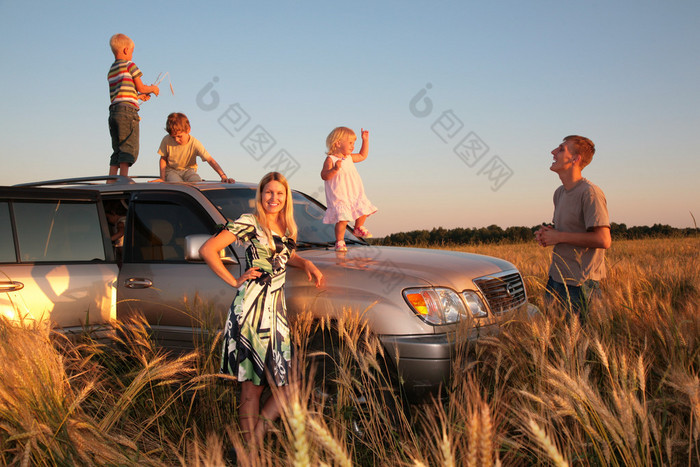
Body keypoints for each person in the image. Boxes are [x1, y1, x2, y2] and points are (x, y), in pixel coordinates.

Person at [199, 172, 323, 447]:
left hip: (276, 313)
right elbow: (209, 250)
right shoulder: (249, 222)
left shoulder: (288, 228)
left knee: (289, 387)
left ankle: (251, 444)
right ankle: (250, 456)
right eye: (268, 192)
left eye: (279, 193)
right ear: (261, 195)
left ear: (285, 197)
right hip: (252, 310)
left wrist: (305, 264)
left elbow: (284, 257)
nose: (273, 198)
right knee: (251, 386)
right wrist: (234, 280)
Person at [535, 135, 611, 320]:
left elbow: (603, 240)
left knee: (581, 343)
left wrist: (559, 236)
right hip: (556, 278)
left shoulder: (590, 193)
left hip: (580, 284)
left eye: (561, 149)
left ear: (575, 159)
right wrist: (548, 234)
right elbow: (567, 230)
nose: (553, 152)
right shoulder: (559, 193)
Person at [107, 33, 160, 177]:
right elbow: (141, 87)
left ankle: (111, 180)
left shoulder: (112, 70)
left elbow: (121, 93)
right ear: (125, 50)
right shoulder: (130, 65)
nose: (131, 54)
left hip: (114, 112)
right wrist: (152, 89)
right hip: (127, 113)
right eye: (131, 51)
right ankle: (123, 179)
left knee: (117, 148)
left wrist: (138, 96)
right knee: (128, 146)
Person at [320, 126, 378, 251]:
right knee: (343, 219)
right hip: (340, 196)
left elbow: (363, 155)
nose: (353, 146)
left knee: (363, 209)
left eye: (354, 143)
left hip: (354, 192)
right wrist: (335, 169)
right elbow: (324, 176)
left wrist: (365, 140)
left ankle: (358, 227)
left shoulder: (350, 158)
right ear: (338, 143)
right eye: (350, 143)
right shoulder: (331, 159)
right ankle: (339, 241)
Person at [154, 112, 235, 183]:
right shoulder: (166, 140)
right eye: (173, 137)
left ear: (188, 130)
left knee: (196, 182)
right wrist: (162, 178)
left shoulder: (195, 143)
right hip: (171, 170)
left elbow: (210, 159)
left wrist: (223, 176)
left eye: (179, 136)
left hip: (188, 170)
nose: (176, 140)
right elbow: (163, 158)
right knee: (178, 185)